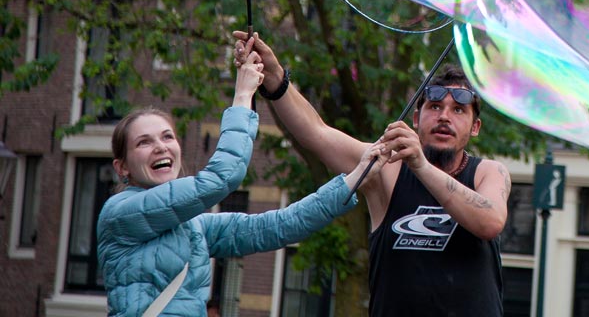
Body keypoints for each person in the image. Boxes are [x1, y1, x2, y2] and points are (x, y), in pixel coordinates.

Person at [233, 31, 510, 317]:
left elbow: (490, 222)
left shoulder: (488, 173)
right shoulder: (386, 170)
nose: (444, 116)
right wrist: (276, 78)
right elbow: (317, 134)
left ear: (475, 127)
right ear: (416, 120)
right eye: (435, 107)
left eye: (459, 110)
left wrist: (421, 167)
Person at [97, 49, 387, 317]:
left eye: (167, 136)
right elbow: (223, 177)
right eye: (144, 142)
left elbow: (277, 227)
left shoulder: (195, 228)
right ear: (122, 167)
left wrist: (352, 179)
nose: (160, 147)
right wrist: (243, 93)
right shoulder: (120, 214)